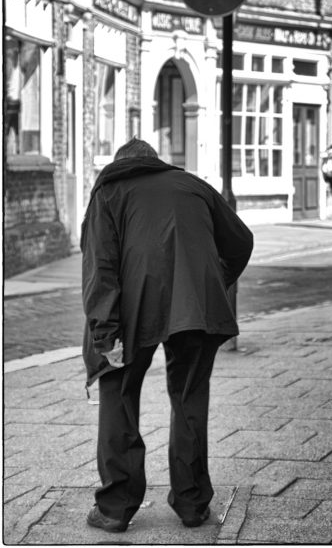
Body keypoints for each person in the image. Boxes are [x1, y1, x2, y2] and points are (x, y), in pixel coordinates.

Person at [81, 138, 253, 533]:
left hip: (131, 311)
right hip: (196, 308)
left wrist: (105, 335)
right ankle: (192, 505)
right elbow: (241, 241)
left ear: (119, 164)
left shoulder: (108, 192)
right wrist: (213, 281)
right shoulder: (195, 186)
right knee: (190, 397)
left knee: (118, 397)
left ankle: (114, 509)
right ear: (155, 162)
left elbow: (100, 269)